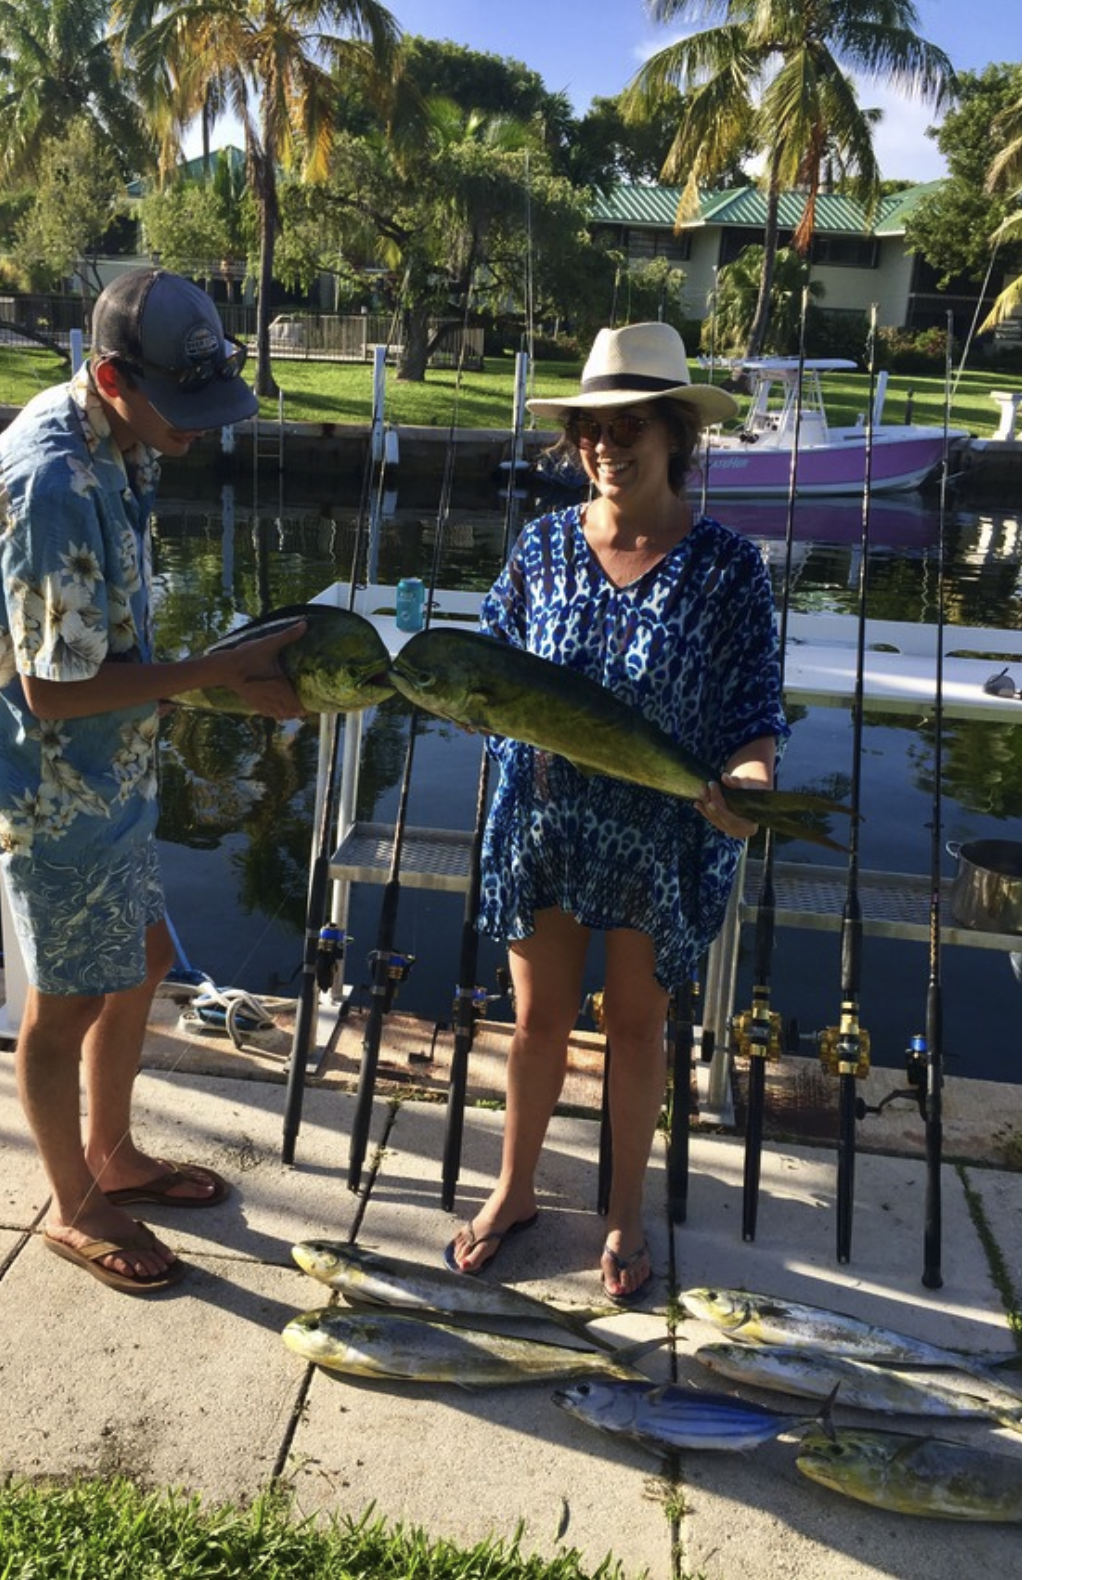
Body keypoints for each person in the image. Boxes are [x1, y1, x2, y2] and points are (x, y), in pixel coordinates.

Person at [0, 268, 308, 1294]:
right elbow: (57, 690)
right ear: (112, 374)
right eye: (183, 405)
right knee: (62, 1005)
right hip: (53, 792)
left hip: (110, 775)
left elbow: (110, 650)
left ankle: (111, 1151)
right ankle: (73, 1202)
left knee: (146, 956)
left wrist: (219, 691)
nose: (200, 429)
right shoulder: (53, 484)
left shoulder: (121, 438)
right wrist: (220, 672)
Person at [442, 322, 790, 1304]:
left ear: (675, 433)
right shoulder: (541, 547)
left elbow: (751, 719)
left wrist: (751, 784)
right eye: (592, 425)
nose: (606, 443)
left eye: (631, 425)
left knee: (636, 1029)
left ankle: (622, 1210)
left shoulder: (724, 567)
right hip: (543, 825)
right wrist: (460, 701)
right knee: (537, 1019)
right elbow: (489, 671)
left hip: (659, 834)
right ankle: (512, 1189)